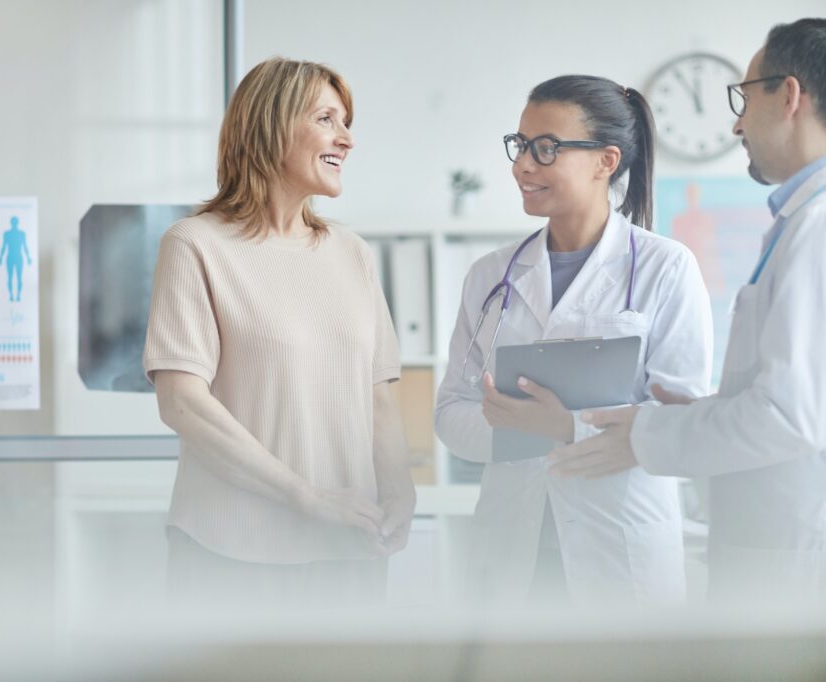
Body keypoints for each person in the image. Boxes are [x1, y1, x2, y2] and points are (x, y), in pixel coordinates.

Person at [550, 18, 826, 603]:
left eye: (744, 98)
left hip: (792, 552)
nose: (735, 122)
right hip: (774, 540)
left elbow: (790, 416)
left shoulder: (817, 228)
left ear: (790, 96)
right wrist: (706, 413)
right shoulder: (801, 220)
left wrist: (649, 432)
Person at [144, 57, 415, 607]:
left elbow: (378, 395)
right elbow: (182, 404)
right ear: (270, 126)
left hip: (349, 549)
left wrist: (400, 492)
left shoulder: (351, 252)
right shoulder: (196, 244)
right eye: (327, 119)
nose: (347, 138)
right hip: (230, 554)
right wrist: (306, 497)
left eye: (346, 122)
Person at [435, 75, 713, 606]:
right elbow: (451, 411)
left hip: (618, 548)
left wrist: (564, 428)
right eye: (520, 146)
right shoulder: (490, 275)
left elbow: (682, 420)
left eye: (546, 148)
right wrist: (521, 431)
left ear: (605, 161)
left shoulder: (665, 268)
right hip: (512, 544)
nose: (521, 165)